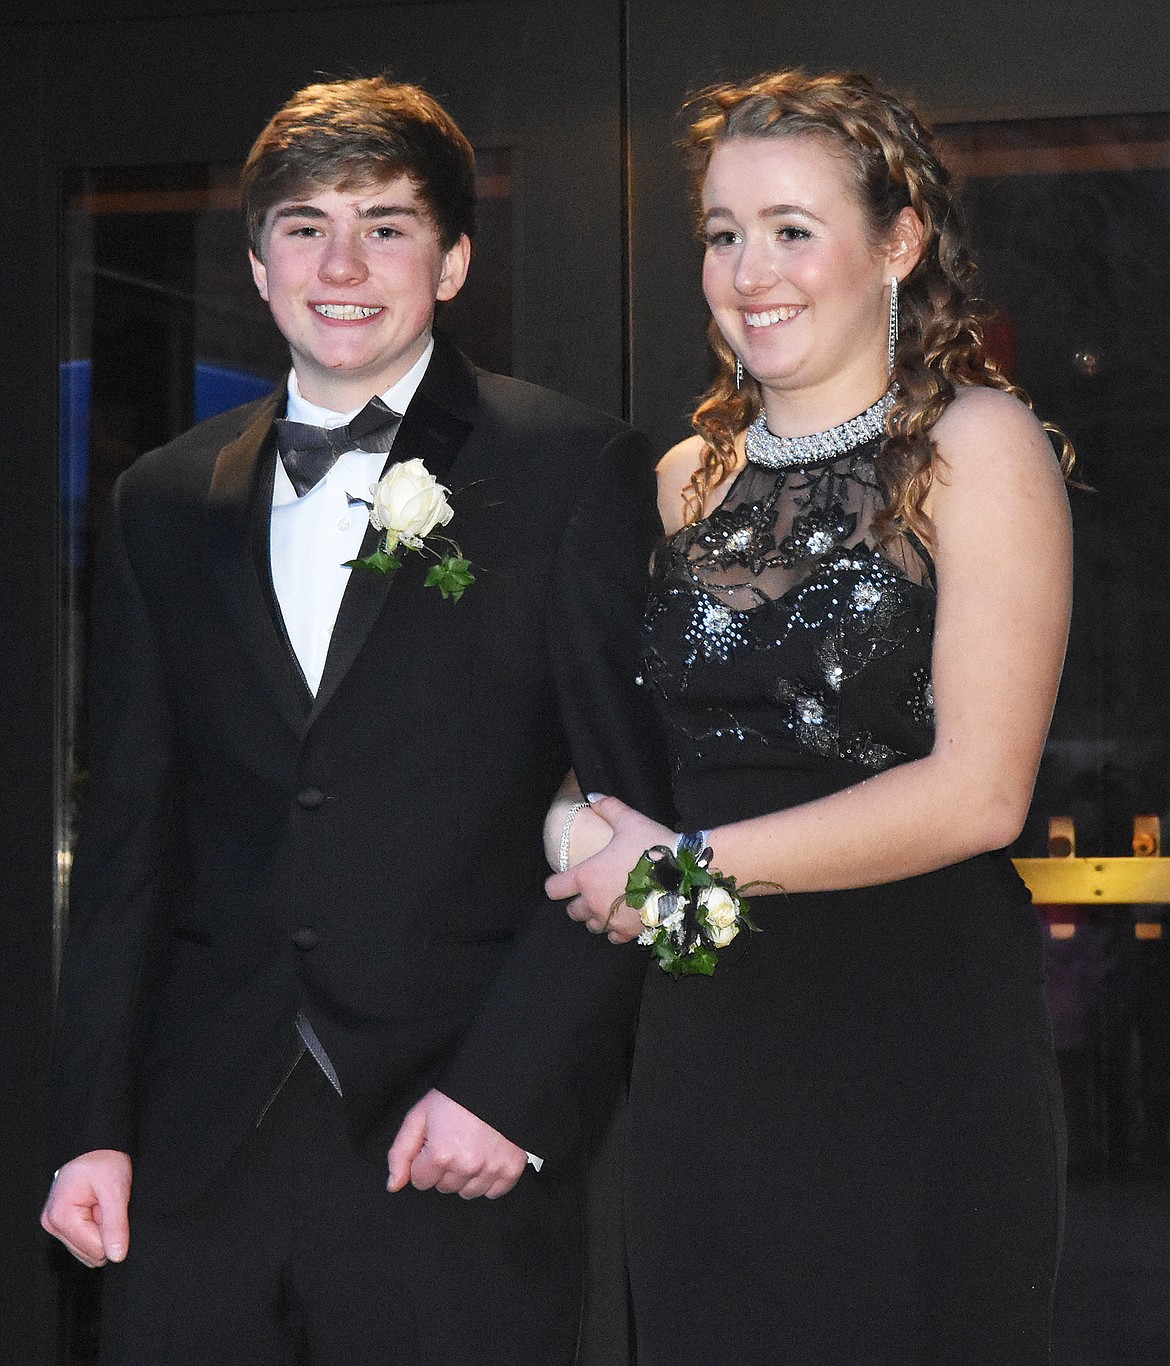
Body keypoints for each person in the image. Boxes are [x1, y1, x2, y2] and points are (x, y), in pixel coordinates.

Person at [42, 75, 667, 1365]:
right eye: (304, 225)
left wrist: (513, 1092)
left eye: (385, 226)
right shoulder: (164, 500)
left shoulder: (571, 469)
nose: (342, 263)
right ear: (259, 261)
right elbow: (130, 837)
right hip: (198, 1147)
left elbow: (636, 816)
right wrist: (90, 1126)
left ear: (453, 261)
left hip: (452, 1140)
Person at [547, 68, 1073, 1364]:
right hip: (712, 1041)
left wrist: (679, 869)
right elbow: (627, 753)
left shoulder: (976, 442)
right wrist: (576, 827)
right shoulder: (679, 481)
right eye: (723, 233)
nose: (747, 269)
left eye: (791, 228)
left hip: (912, 1033)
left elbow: (980, 792)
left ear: (896, 242)